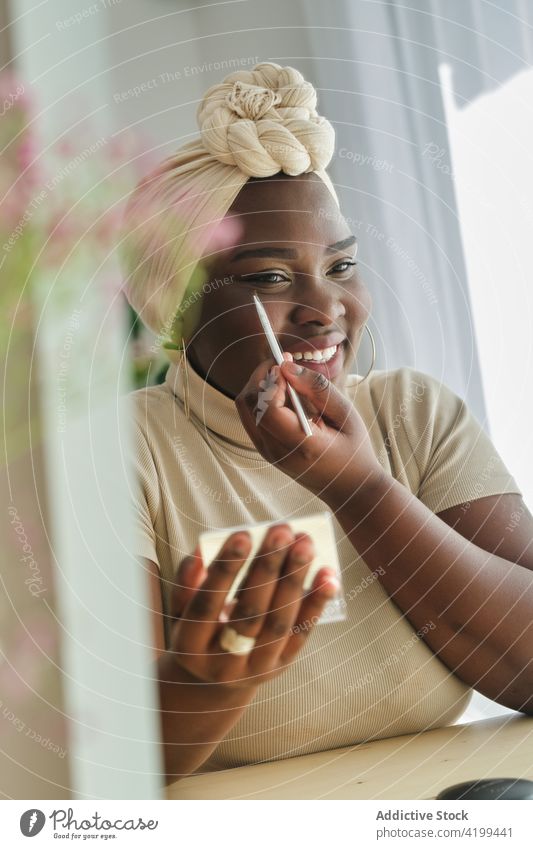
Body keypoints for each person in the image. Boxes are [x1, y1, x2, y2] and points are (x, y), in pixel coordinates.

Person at [119, 62, 533, 786]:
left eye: (341, 265)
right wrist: (207, 673)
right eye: (269, 278)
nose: (324, 308)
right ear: (178, 306)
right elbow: (102, 757)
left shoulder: (413, 413)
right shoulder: (123, 452)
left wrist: (364, 492)